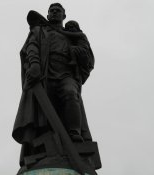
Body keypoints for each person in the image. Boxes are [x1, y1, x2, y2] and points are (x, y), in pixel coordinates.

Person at [12, 3, 95, 167]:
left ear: (64, 16)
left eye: (58, 11)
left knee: (70, 94)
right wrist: (34, 64)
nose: (55, 12)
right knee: (43, 113)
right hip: (44, 75)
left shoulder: (73, 35)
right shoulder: (40, 31)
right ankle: (44, 151)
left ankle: (74, 134)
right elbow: (32, 46)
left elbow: (88, 59)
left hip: (66, 74)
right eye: (52, 11)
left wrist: (79, 49)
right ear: (48, 15)